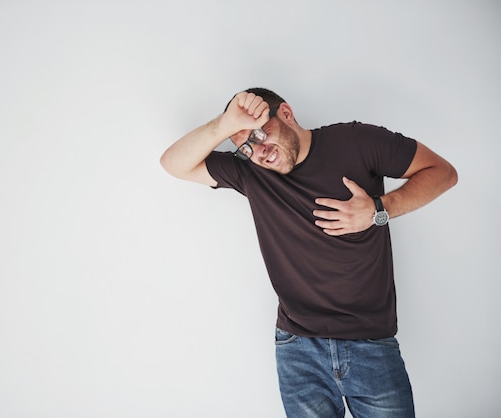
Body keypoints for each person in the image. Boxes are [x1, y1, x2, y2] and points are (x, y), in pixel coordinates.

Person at [159, 87, 458, 417]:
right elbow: (173, 163)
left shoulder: (358, 141)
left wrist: (377, 209)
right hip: (298, 348)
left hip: (371, 343)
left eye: (260, 133)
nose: (259, 151)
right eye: (245, 146)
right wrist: (224, 124)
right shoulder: (249, 172)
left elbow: (443, 172)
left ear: (286, 113)